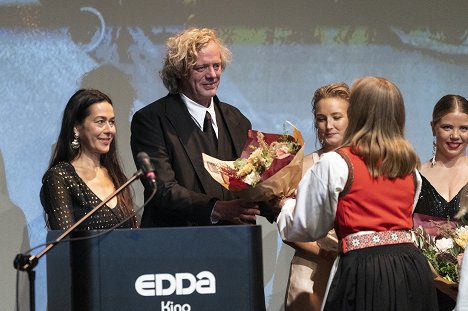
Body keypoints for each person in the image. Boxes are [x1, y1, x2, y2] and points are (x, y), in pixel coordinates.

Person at [275, 76, 438, 310]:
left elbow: (308, 227)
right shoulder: (409, 167)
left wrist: (285, 206)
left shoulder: (336, 163)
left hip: (364, 272)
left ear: (358, 112)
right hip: (409, 270)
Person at [130, 27, 259, 227]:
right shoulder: (151, 120)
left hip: (235, 247)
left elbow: (253, 185)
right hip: (178, 247)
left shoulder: (238, 120)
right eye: (201, 68)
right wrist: (218, 209)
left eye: (217, 66)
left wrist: (281, 201)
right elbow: (162, 190)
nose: (212, 75)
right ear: (180, 71)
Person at [284, 82, 349, 311]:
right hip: (308, 270)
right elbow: (288, 229)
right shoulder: (302, 166)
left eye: (336, 117)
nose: (328, 125)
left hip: (352, 271)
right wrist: (328, 254)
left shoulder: (365, 165)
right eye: (321, 119)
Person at [41, 89, 137, 230]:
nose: (109, 130)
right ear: (76, 128)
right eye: (100, 122)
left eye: (112, 122)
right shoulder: (60, 177)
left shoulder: (116, 176)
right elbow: (65, 242)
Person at [413, 94, 468, 310]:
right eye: (447, 127)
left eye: (464, 128)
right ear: (433, 127)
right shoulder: (415, 175)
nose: (455, 136)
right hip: (422, 286)